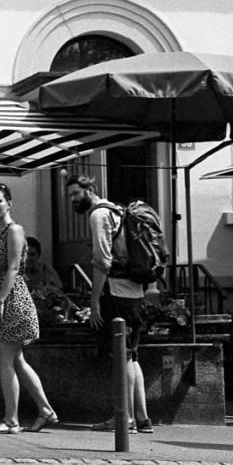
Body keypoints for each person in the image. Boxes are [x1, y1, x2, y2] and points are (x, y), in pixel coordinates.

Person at [65, 174, 153, 434]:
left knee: (121, 356)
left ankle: (124, 420)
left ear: (90, 189)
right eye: (70, 196)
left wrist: (94, 303)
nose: (72, 200)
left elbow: (102, 261)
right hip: (135, 291)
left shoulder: (99, 215)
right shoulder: (118, 211)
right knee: (133, 356)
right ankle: (142, 418)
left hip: (116, 293)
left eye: (75, 194)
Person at [0, 184, 58, 434]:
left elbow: (13, 269)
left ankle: (11, 420)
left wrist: (0, 301)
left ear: (9, 203)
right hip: (5, 297)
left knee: (3, 359)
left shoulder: (15, 230)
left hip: (14, 300)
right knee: (17, 360)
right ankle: (46, 411)